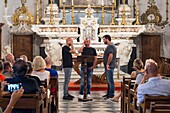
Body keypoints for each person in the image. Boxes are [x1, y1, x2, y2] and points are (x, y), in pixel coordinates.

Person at [102, 35, 116, 99]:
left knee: (110, 80)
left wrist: (107, 64)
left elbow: (110, 55)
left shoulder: (110, 46)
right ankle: (108, 93)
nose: (103, 41)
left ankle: (111, 94)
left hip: (109, 66)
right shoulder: (111, 46)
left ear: (107, 39)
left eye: (104, 39)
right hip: (109, 65)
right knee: (108, 80)